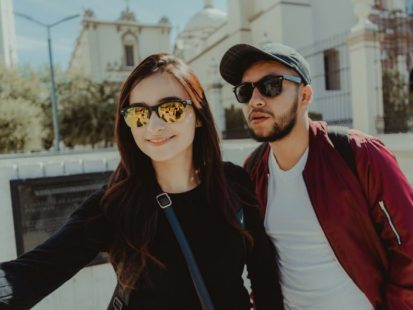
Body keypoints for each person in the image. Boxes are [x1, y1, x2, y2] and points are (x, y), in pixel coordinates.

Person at [0, 54, 284, 310]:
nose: (154, 126)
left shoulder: (234, 182)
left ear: (198, 116)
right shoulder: (114, 205)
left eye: (170, 109)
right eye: (139, 114)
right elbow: (30, 274)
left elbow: (264, 275)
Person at [219, 42, 413, 309]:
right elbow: (261, 264)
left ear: (305, 96)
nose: (255, 100)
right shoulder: (253, 170)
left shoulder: (359, 154)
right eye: (245, 91)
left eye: (271, 86)